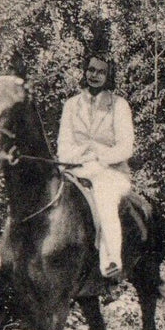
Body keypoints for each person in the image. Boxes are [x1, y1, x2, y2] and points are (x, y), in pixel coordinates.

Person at [56, 52, 135, 278]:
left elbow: (125, 148)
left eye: (101, 72)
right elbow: (63, 146)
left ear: (108, 76)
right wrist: (82, 156)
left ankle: (111, 258)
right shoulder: (71, 105)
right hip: (76, 168)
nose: (95, 75)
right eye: (91, 70)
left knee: (104, 196)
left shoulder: (119, 106)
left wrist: (98, 156)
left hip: (111, 173)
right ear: (85, 71)